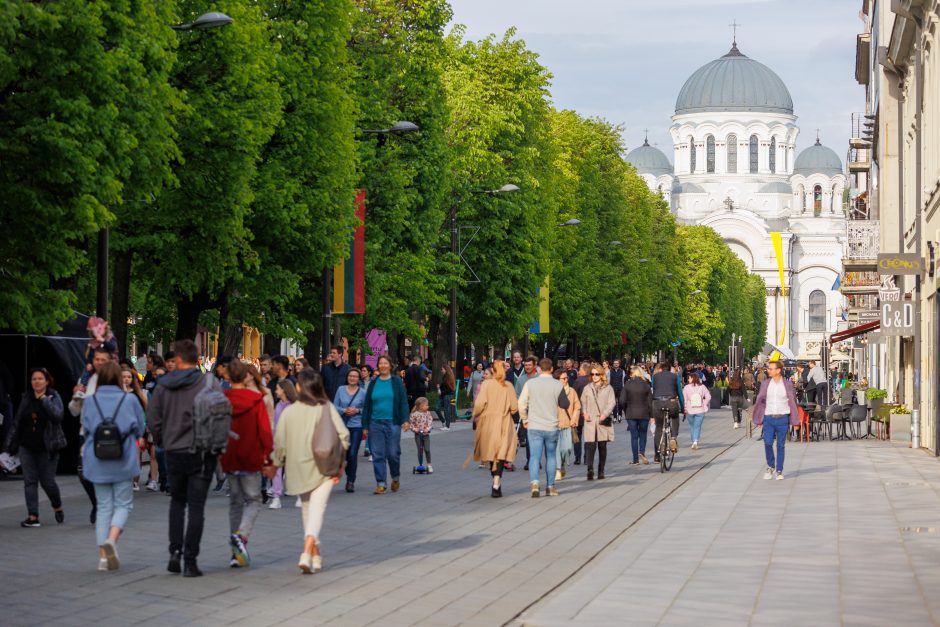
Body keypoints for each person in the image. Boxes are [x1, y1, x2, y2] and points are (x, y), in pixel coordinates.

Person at [148, 339, 229, 578]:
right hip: (202, 452)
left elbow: (153, 418)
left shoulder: (162, 386)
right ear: (197, 358)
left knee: (177, 503)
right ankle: (190, 561)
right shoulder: (210, 382)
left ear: (179, 359)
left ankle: (175, 551)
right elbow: (222, 413)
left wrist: (163, 440)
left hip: (174, 451)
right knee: (196, 507)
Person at [269, 369, 349, 574]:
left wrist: (275, 464)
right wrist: (340, 458)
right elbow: (344, 435)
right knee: (316, 509)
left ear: (299, 387)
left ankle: (309, 551)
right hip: (324, 467)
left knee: (308, 509)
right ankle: (311, 552)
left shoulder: (289, 412)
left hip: (297, 467)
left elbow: (280, 443)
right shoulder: (326, 407)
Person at [80, 361, 145, 571]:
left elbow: (86, 427)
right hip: (123, 458)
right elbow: (139, 428)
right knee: (123, 504)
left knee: (103, 507)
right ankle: (112, 539)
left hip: (97, 459)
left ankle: (102, 558)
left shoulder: (90, 401)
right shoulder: (129, 400)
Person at [220, 360, 273, 568]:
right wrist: (269, 457)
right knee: (253, 500)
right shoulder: (256, 399)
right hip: (251, 455)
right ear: (245, 377)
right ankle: (241, 537)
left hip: (230, 455)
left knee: (235, 502)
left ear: (228, 377)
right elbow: (264, 431)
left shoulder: (222, 400)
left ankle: (235, 552)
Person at [3, 368, 67, 527]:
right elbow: (17, 422)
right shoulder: (26, 398)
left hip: (47, 447)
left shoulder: (53, 396)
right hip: (27, 446)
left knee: (48, 482)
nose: (36, 382)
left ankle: (57, 505)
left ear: (46, 381)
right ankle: (33, 516)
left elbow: (58, 416)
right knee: (30, 481)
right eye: (34, 379)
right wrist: (8, 446)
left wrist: (44, 400)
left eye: (40, 379)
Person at [518, 358, 569, 497]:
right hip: (551, 426)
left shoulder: (530, 383)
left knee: (534, 456)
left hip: (534, 425)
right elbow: (565, 404)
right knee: (551, 456)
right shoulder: (557, 385)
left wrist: (525, 419)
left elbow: (521, 403)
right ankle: (550, 486)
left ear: (539, 369)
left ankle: (535, 483)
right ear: (552, 369)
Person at [361, 355, 410, 494]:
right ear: (378, 366)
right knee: (377, 454)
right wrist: (365, 425)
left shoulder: (396, 382)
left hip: (393, 422)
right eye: (380, 363)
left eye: (385, 363)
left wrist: (405, 419)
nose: (382, 365)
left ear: (390, 365)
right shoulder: (374, 383)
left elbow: (403, 402)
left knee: (393, 453)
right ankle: (381, 483)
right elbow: (367, 405)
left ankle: (395, 477)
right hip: (375, 423)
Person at [471, 360, 519, 498]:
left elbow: (479, 404)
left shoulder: (486, 384)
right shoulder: (508, 385)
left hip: (488, 422)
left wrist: (476, 413)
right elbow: (514, 407)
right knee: (501, 452)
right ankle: (497, 482)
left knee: (492, 452)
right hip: (504, 422)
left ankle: (495, 480)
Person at [752, 360, 800, 480]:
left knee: (780, 445)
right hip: (768, 418)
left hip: (783, 418)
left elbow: (793, 403)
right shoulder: (765, 384)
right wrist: (759, 418)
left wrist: (795, 421)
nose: (768, 370)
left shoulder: (788, 385)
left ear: (778, 370)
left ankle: (779, 470)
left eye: (771, 368)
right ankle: (770, 466)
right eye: (768, 368)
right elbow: (760, 401)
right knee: (767, 442)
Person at [120, 365, 153, 491]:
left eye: (129, 377)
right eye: (123, 377)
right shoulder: (116, 393)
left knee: (136, 456)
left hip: (134, 430)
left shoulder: (138, 394)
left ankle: (134, 481)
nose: (126, 379)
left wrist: (143, 432)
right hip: (120, 430)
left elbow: (143, 414)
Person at [580, 366, 616, 480]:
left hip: (602, 419)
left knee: (602, 446)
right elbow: (583, 403)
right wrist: (584, 413)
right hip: (590, 419)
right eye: (592, 374)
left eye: (597, 374)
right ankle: (590, 469)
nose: (594, 376)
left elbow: (612, 402)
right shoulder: (587, 388)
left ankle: (601, 470)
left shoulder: (608, 388)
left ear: (602, 375)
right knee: (590, 445)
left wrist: (605, 414)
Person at [333, 368, 366, 493]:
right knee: (345, 455)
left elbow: (366, 408)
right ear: (347, 377)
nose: (352, 378)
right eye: (350, 376)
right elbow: (334, 406)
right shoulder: (340, 390)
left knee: (352, 453)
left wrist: (357, 411)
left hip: (356, 425)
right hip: (342, 425)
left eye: (355, 376)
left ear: (358, 379)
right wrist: (344, 410)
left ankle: (350, 480)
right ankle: (349, 471)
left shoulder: (363, 392)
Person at [268, 380, 297, 509]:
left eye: (278, 388)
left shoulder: (295, 406)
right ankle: (276, 497)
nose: (275, 390)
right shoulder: (278, 405)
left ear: (284, 390)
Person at [621, 366, 653, 465]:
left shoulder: (628, 384)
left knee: (634, 436)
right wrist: (651, 415)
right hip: (644, 413)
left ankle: (635, 460)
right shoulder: (646, 385)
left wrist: (625, 409)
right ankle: (642, 452)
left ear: (632, 373)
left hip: (631, 413)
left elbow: (622, 400)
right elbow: (650, 402)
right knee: (643, 434)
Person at [651, 363, 682, 461]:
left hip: (657, 403)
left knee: (659, 427)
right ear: (669, 369)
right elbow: (679, 392)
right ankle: (673, 437)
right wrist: (683, 406)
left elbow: (653, 389)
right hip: (671, 402)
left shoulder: (654, 377)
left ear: (660, 369)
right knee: (675, 417)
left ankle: (657, 452)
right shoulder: (674, 376)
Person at [553, 370, 580, 481]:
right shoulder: (552, 391)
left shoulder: (572, 391)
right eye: (563, 378)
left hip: (568, 424)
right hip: (555, 425)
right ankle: (558, 469)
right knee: (557, 449)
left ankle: (563, 464)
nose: (565, 380)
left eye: (566, 378)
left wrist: (574, 419)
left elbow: (577, 406)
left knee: (567, 449)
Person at [682, 373, 711, 450]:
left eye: (689, 378)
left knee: (692, 426)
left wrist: (684, 409)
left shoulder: (686, 388)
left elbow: (684, 400)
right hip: (700, 410)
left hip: (689, 410)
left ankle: (694, 441)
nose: (688, 380)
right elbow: (708, 396)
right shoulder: (702, 387)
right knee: (697, 426)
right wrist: (704, 403)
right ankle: (695, 441)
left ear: (693, 378)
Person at [407, 397, 434, 473]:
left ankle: (429, 465)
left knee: (427, 449)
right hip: (418, 435)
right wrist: (416, 430)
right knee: (420, 450)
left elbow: (430, 422)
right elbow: (411, 424)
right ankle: (420, 464)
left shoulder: (428, 413)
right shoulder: (414, 415)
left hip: (426, 435)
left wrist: (427, 429)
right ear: (421, 406)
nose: (428, 406)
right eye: (426, 405)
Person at [436, 364, 456, 431]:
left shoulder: (449, 377)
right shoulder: (444, 377)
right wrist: (439, 388)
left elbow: (450, 389)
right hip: (443, 395)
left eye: (442, 369)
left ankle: (447, 426)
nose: (441, 370)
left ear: (446, 370)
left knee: (446, 410)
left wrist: (441, 391)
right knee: (437, 408)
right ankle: (444, 421)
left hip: (447, 395)